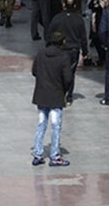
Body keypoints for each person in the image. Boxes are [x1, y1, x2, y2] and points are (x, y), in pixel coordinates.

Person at [31, 31, 73, 167]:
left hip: (41, 94)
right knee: (55, 126)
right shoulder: (63, 57)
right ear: (62, 42)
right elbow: (68, 78)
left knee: (41, 124)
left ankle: (38, 154)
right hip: (56, 95)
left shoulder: (41, 53)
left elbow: (34, 71)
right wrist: (64, 91)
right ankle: (54, 156)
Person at [47, 0, 88, 106]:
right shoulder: (79, 20)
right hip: (73, 50)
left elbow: (49, 34)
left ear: (64, 5)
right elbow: (83, 37)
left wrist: (48, 47)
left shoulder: (57, 18)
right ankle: (69, 96)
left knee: (59, 73)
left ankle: (59, 94)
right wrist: (85, 52)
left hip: (59, 49)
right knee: (70, 73)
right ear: (75, 6)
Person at [88, 0, 109, 66]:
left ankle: (104, 57)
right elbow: (91, 5)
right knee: (96, 39)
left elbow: (105, 6)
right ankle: (101, 57)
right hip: (95, 20)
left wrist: (98, 5)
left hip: (103, 20)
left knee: (102, 40)